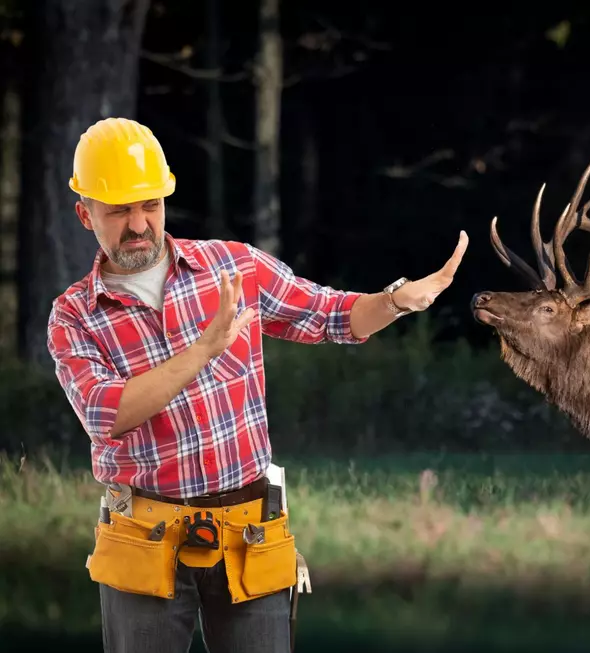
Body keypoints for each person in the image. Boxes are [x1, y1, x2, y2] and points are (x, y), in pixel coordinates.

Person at [46, 116, 468, 653]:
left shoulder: (234, 267)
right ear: (86, 215)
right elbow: (107, 415)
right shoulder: (74, 317)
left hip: (250, 533)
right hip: (141, 538)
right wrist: (203, 349)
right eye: (119, 210)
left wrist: (395, 301)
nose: (139, 225)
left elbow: (331, 315)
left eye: (150, 205)